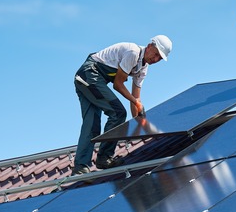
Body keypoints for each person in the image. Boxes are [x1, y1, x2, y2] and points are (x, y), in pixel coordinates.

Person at [72, 35, 172, 175]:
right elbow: (118, 85)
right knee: (118, 113)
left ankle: (80, 168)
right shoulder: (133, 53)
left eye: (159, 58)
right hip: (89, 75)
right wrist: (135, 102)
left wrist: (139, 123)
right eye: (155, 54)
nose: (155, 59)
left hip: (91, 80)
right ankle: (104, 158)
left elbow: (136, 97)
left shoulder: (142, 68)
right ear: (149, 46)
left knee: (92, 124)